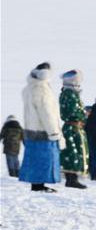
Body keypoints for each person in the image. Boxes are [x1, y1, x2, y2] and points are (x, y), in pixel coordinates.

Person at [20, 63, 65, 192]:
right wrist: (54, 132)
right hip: (43, 131)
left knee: (34, 160)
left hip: (30, 130)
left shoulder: (28, 88)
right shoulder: (42, 89)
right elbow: (46, 113)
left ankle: (36, 185)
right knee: (45, 159)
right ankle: (40, 185)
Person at [59, 69, 89, 189]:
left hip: (74, 127)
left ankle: (72, 178)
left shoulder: (69, 93)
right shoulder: (69, 94)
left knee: (73, 152)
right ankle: (71, 179)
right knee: (73, 152)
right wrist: (82, 115)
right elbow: (72, 111)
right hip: (73, 127)